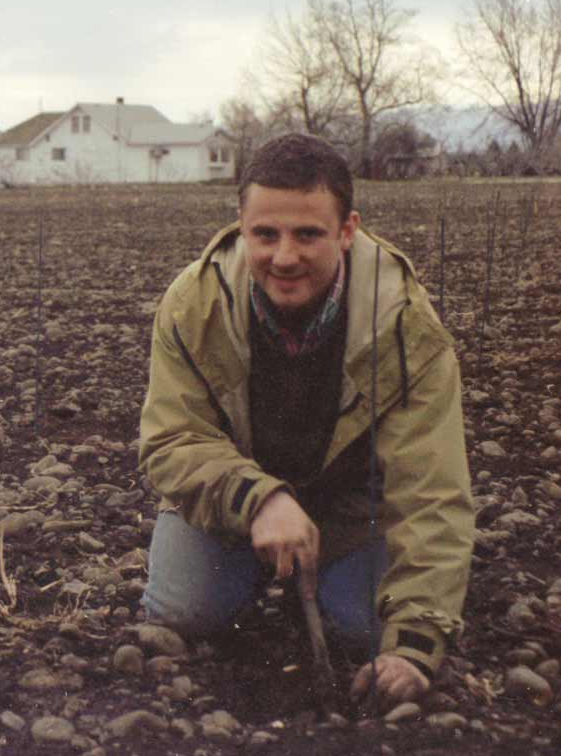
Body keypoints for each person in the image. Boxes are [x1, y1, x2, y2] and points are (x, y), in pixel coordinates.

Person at [138, 133, 472, 706]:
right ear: (241, 227)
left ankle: (321, 578)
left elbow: (432, 490)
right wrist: (261, 499)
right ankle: (268, 564)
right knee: (185, 612)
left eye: (308, 234)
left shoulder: (405, 327)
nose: (285, 257)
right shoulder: (193, 304)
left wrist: (418, 643)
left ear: (347, 231)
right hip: (234, 501)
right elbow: (171, 441)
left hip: (349, 508)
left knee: (371, 633)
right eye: (265, 234)